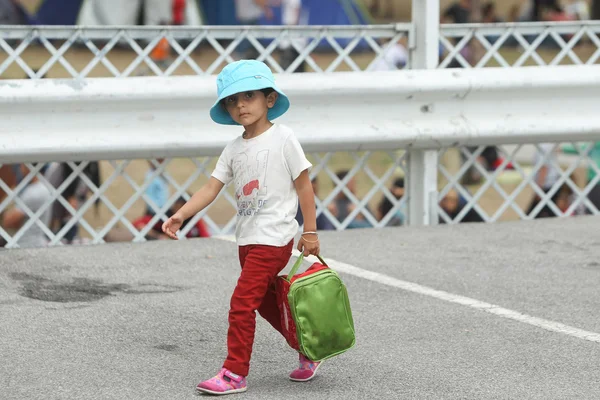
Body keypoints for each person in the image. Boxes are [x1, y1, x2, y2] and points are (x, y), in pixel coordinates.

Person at [162, 60, 322, 395]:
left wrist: (310, 231)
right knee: (265, 305)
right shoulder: (234, 149)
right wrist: (182, 214)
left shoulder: (284, 138)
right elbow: (210, 188)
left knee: (240, 303)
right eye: (232, 101)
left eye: (248, 96)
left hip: (273, 238)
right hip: (247, 241)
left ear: (270, 100)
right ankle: (310, 347)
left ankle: (235, 373)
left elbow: (305, 186)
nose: (240, 105)